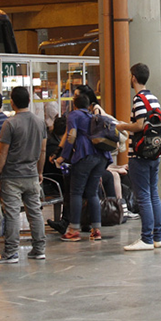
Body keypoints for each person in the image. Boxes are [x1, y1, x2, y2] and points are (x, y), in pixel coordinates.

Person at [0, 86, 47, 263]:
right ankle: (39, 249)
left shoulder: (10, 123)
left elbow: (2, 152)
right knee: (35, 213)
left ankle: (11, 252)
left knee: (13, 214)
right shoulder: (40, 122)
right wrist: (40, 172)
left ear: (12, 102)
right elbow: (43, 150)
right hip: (32, 175)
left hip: (12, 176)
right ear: (29, 101)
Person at [116, 63, 161, 252]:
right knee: (153, 194)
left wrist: (123, 126)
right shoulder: (153, 98)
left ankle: (146, 238)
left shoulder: (138, 99)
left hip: (139, 154)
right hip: (154, 152)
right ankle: (157, 237)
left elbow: (140, 125)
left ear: (134, 77)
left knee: (143, 195)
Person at [55, 92, 111, 243]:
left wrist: (63, 156)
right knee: (92, 193)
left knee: (76, 192)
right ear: (89, 106)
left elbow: (71, 136)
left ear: (74, 104)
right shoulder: (92, 117)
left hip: (84, 155)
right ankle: (96, 230)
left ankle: (74, 230)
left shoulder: (74, 115)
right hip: (101, 156)